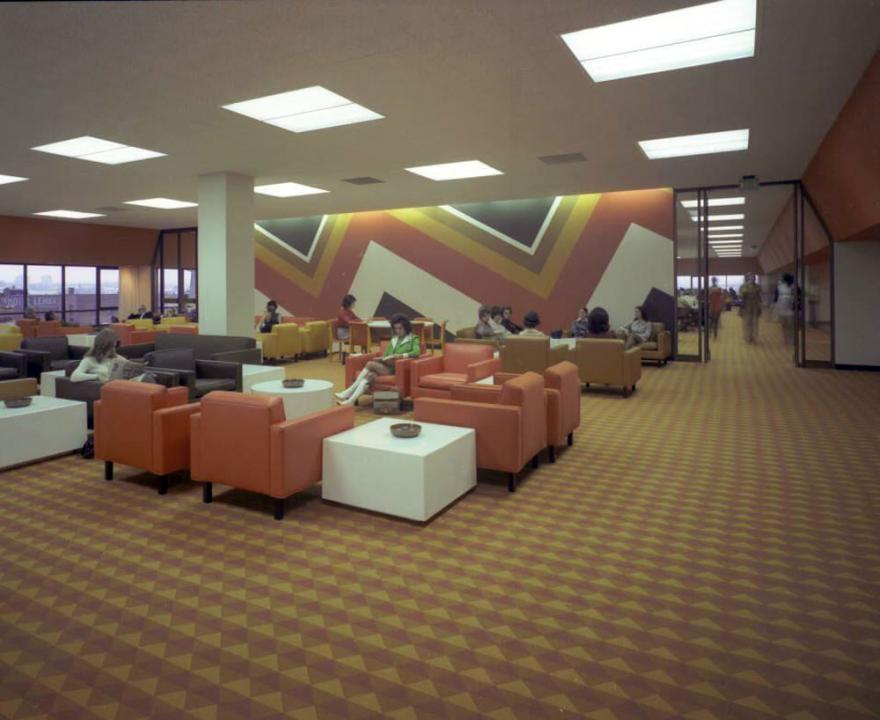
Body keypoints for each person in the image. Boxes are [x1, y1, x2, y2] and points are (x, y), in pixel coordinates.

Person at [335, 314, 420, 406]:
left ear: (406, 328)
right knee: (370, 375)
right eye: (396, 328)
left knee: (370, 364)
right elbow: (386, 354)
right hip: (387, 366)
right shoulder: (394, 339)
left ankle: (349, 391)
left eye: (400, 328)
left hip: (397, 368)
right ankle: (350, 401)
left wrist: (400, 355)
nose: (397, 331)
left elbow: (416, 352)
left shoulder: (413, 338)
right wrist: (383, 358)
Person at [70, 329, 144, 383]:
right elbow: (74, 377)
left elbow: (129, 366)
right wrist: (97, 376)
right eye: (111, 347)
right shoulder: (90, 360)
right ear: (104, 347)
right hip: (109, 390)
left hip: (123, 387)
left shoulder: (117, 357)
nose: (114, 350)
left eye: (115, 347)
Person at [739, 273, 762, 344]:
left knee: (755, 321)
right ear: (748, 278)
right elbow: (740, 296)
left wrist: (760, 306)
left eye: (754, 277)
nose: (753, 278)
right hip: (747, 305)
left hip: (755, 305)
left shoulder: (757, 286)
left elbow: (759, 296)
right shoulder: (743, 286)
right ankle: (747, 337)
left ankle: (754, 337)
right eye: (751, 277)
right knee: (747, 321)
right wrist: (744, 294)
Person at [776, 272, 795, 345]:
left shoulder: (791, 286)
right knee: (786, 325)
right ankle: (788, 339)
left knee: (788, 325)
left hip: (786, 307)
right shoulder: (781, 286)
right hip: (784, 307)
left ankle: (789, 340)